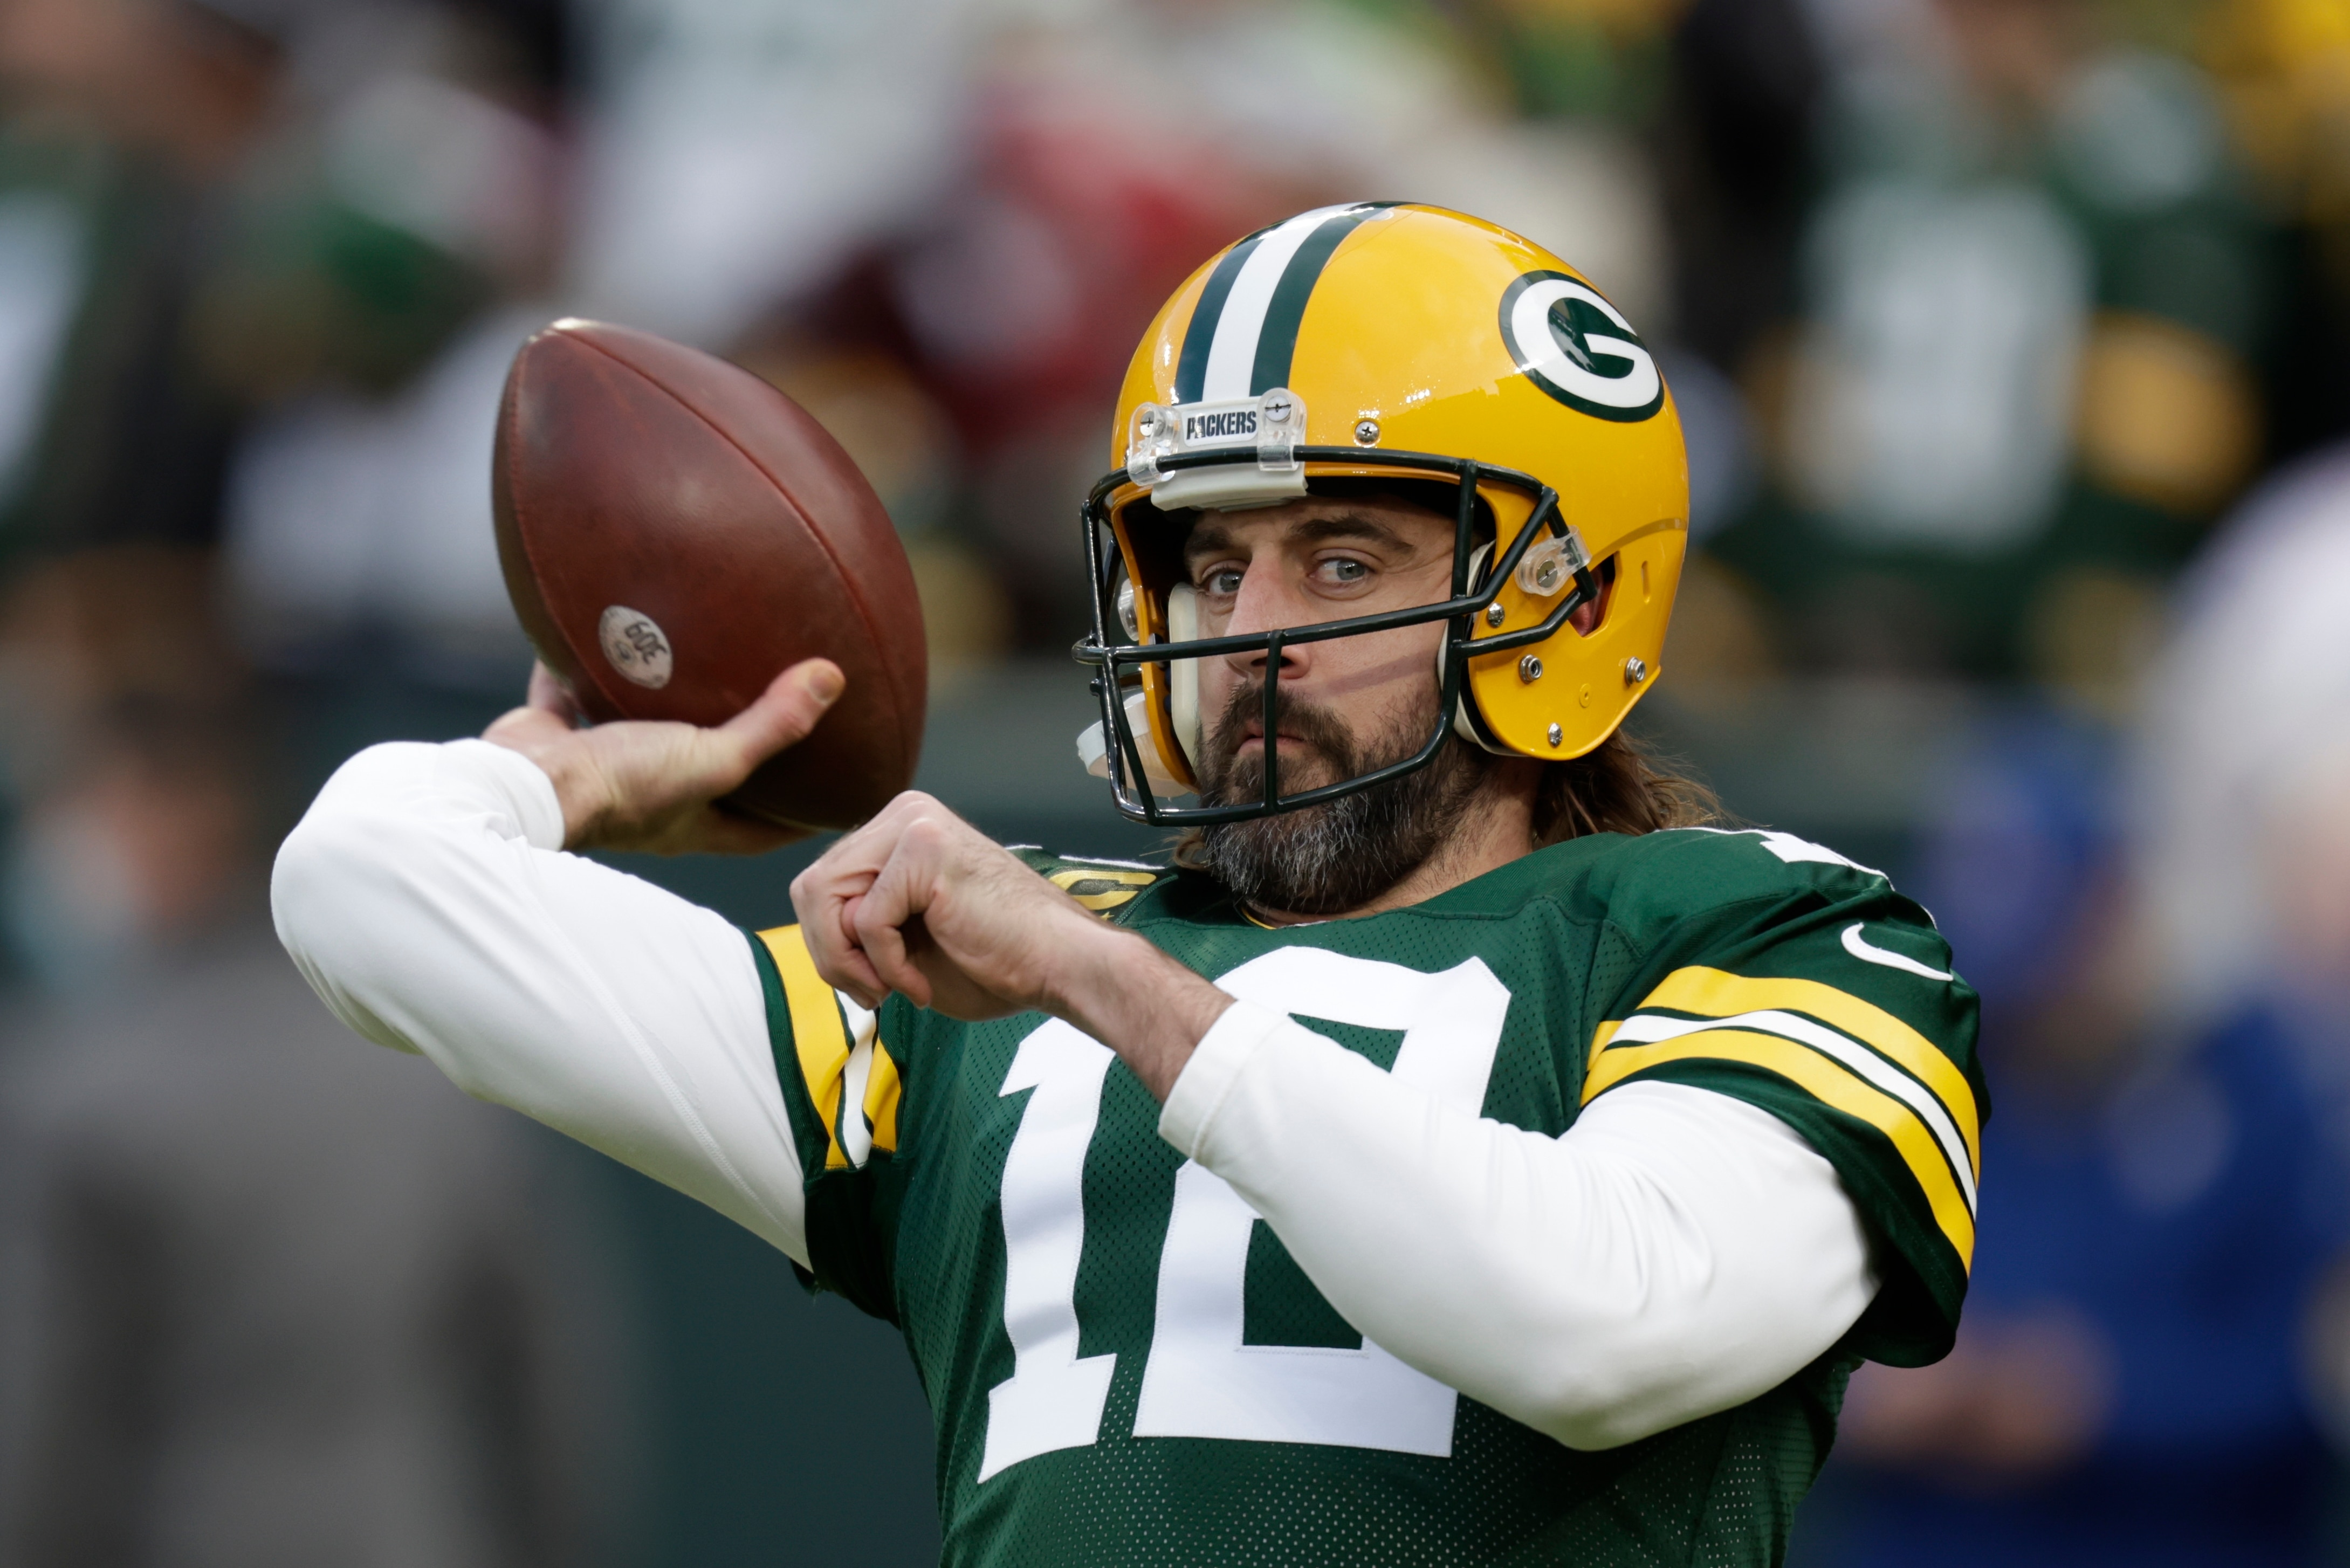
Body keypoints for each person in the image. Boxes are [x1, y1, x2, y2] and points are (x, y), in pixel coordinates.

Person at [273, 204, 1984, 1565]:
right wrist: (559, 778)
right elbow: (363, 884)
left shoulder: (1767, 931)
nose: (1247, 639)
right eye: (1210, 564)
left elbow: (1600, 1323)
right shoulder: (971, 994)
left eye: (1341, 558)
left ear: (1565, 596)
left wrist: (1105, 984)